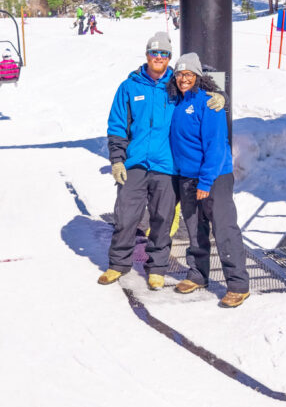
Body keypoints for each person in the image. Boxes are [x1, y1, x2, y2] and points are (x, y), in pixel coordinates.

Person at [97, 33, 226, 290]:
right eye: (155, 53)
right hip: (134, 163)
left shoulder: (177, 83)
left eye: (165, 54)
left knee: (162, 218)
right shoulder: (130, 86)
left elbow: (207, 83)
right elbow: (117, 125)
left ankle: (156, 267)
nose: (159, 58)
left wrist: (223, 96)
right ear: (147, 55)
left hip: (167, 166)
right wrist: (117, 160)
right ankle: (118, 264)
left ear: (170, 58)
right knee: (125, 215)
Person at [168, 52, 250, 308]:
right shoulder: (175, 102)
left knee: (224, 229)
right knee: (194, 228)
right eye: (180, 74)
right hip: (187, 177)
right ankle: (198, 274)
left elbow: (215, 146)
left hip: (214, 177)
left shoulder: (209, 103)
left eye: (189, 74)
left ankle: (237, 284)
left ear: (198, 76)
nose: (184, 79)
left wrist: (205, 182)